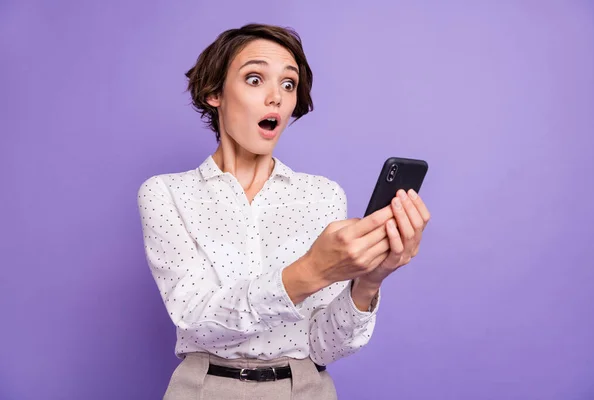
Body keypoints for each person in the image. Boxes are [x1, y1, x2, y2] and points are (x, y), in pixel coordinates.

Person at [137, 23, 430, 400]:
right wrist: (311, 270)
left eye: (288, 85)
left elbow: (325, 346)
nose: (276, 97)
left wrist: (370, 280)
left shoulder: (322, 196)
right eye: (255, 79)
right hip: (205, 389)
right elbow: (196, 319)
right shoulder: (167, 194)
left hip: (305, 389)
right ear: (214, 93)